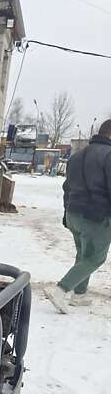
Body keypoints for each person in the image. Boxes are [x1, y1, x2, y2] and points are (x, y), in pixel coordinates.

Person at [45, 119, 111, 314]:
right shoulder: (108, 155)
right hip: (96, 216)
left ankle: (79, 295)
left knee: (84, 255)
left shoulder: (77, 156)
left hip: (74, 213)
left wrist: (67, 211)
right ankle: (60, 290)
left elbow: (67, 187)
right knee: (95, 258)